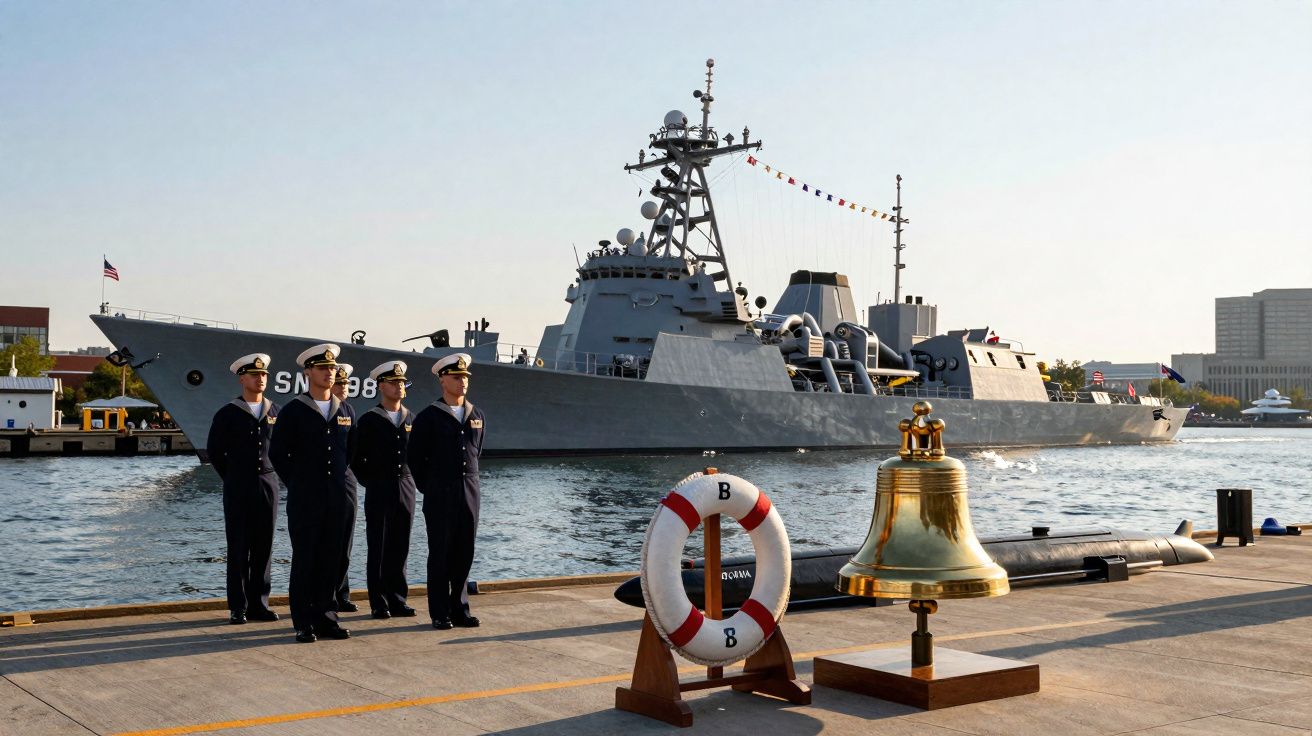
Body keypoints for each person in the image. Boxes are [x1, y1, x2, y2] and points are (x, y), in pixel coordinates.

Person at [270, 343, 355, 643]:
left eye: (332, 368)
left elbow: (350, 452)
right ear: (308, 372)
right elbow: (278, 454)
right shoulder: (294, 411)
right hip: (306, 498)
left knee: (332, 559)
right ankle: (304, 622)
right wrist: (300, 483)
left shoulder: (345, 410)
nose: (329, 372)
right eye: (323, 368)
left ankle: (327, 618)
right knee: (306, 559)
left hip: (337, 497)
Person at [409, 353, 485, 630]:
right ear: (442, 380)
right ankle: (440, 612)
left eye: (465, 376)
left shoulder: (476, 415)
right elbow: (415, 458)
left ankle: (460, 608)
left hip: (469, 492)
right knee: (440, 554)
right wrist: (431, 488)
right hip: (440, 493)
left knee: (465, 552)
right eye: (456, 376)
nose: (462, 381)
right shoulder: (428, 417)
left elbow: (476, 452)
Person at [206, 353, 281, 625]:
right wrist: (233, 477)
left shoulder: (276, 411)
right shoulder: (228, 413)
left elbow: (284, 449)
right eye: (254, 375)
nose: (260, 379)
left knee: (264, 546)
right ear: (242, 379)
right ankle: (238, 606)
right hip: (238, 484)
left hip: (268, 483)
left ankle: (259, 603)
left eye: (263, 375)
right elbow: (215, 451)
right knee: (239, 547)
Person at [352, 360, 417, 619]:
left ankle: (398, 599)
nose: (399, 386)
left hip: (405, 487)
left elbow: (420, 455)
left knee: (400, 545)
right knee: (378, 546)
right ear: (381, 386)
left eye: (401, 382)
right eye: (393, 382)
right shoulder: (369, 420)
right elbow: (356, 458)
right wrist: (371, 481)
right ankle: (378, 602)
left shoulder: (411, 418)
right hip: (380, 487)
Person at [330, 363, 360, 613]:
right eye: (339, 383)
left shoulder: (348, 410)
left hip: (345, 482)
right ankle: (325, 595)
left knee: (345, 543)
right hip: (322, 484)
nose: (343, 387)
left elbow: (354, 448)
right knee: (323, 543)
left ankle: (342, 593)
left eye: (346, 383)